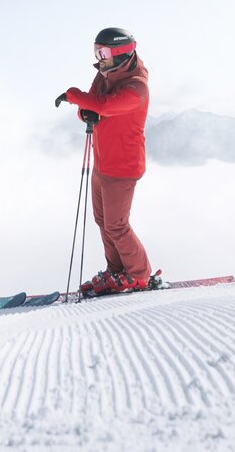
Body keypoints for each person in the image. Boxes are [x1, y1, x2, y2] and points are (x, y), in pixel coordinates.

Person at [54, 27, 154, 296]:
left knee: (117, 225)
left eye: (104, 53)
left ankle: (139, 275)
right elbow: (91, 107)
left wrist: (76, 97)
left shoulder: (136, 87)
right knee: (103, 222)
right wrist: (84, 109)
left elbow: (106, 106)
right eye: (97, 51)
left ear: (121, 52)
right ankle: (116, 271)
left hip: (123, 167)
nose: (99, 58)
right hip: (103, 162)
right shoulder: (104, 73)